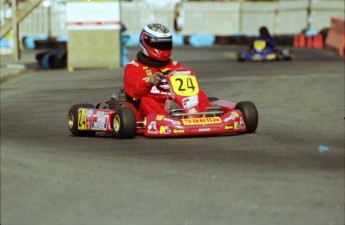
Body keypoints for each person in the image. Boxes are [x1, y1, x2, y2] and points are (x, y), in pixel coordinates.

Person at [123, 23, 210, 119]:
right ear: (146, 42)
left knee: (199, 93)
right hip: (149, 107)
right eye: (160, 44)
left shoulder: (175, 65)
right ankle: (167, 120)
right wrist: (149, 80)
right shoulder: (134, 67)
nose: (164, 48)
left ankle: (203, 115)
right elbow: (134, 91)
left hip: (174, 104)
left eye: (166, 44)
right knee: (146, 101)